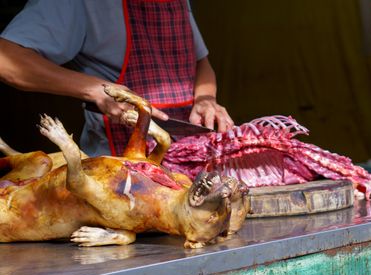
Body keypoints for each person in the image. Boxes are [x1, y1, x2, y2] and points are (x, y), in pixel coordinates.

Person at [0, 0, 234, 157]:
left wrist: (206, 98)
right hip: (119, 170)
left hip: (189, 158)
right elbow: (6, 59)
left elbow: (200, 62)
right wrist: (93, 89)